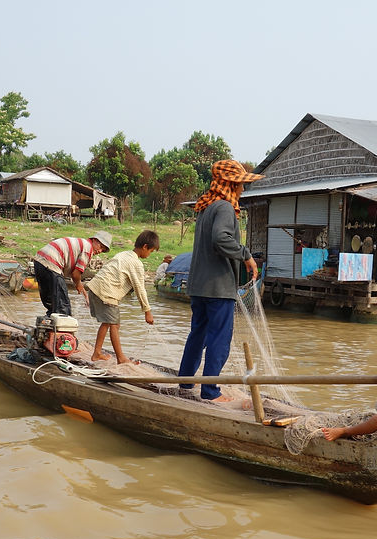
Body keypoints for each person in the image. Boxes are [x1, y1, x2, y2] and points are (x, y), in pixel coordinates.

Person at [178, 160, 262, 402]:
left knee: (198, 335)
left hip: (198, 286)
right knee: (219, 339)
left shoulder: (206, 208)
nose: (243, 190)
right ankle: (210, 392)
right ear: (231, 185)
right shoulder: (224, 207)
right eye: (241, 185)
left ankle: (186, 382)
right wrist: (246, 255)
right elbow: (221, 239)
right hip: (218, 288)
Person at [86, 230, 159, 364]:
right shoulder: (136, 263)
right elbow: (140, 288)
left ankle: (97, 353)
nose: (149, 254)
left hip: (95, 287)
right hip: (106, 292)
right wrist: (147, 311)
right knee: (115, 324)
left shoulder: (123, 254)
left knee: (107, 322)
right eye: (151, 251)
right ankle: (121, 358)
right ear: (145, 247)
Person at [33, 231, 112, 316]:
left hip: (39, 262)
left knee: (52, 304)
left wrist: (84, 294)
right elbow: (75, 274)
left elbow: (76, 277)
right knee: (63, 308)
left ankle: (49, 322)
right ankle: (60, 323)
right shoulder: (88, 249)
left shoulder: (82, 244)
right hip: (51, 264)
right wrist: (78, 285)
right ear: (94, 240)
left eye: (102, 250)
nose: (100, 251)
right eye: (101, 247)